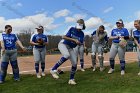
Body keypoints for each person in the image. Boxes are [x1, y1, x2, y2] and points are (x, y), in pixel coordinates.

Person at [50, 19, 85, 85]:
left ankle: (71, 79)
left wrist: (79, 43)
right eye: (78, 28)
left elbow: (81, 42)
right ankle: (53, 70)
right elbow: (63, 36)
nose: (78, 29)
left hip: (70, 47)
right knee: (66, 55)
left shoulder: (82, 34)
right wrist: (74, 39)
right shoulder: (71, 28)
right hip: (63, 44)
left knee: (74, 63)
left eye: (80, 28)